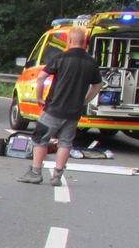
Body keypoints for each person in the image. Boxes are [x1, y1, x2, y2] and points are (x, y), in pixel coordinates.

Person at [18, 26, 103, 185]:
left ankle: (36, 172)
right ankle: (57, 175)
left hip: (53, 108)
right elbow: (98, 85)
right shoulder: (91, 62)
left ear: (69, 41)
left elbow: (41, 78)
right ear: (84, 42)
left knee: (40, 139)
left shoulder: (60, 58)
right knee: (65, 142)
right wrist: (84, 101)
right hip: (73, 111)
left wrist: (39, 98)